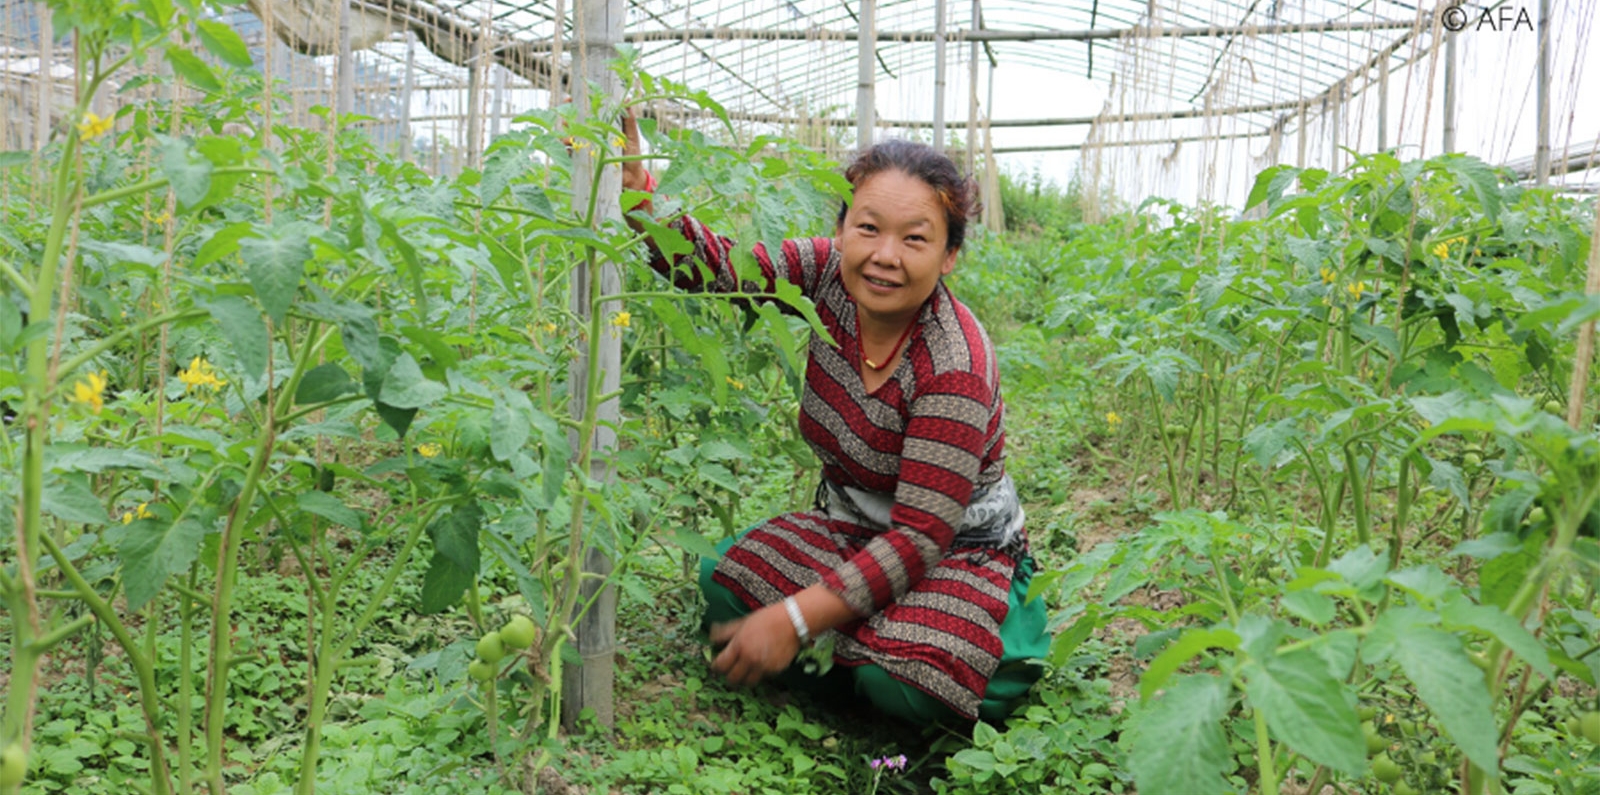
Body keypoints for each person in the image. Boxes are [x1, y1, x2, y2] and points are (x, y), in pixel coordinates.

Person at [620, 113, 1047, 725]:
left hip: (955, 548)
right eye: (868, 228)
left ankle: (980, 646)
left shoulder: (953, 363)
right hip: (852, 525)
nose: (884, 257)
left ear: (950, 255)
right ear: (842, 229)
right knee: (725, 582)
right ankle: (859, 646)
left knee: (910, 681)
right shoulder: (825, 274)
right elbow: (717, 269)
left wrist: (794, 620)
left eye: (916, 239)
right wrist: (639, 195)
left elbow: (920, 536)